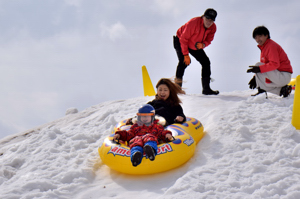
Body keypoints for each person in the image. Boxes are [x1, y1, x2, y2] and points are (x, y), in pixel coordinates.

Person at [173, 8, 219, 95]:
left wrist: (204, 45)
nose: (209, 22)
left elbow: (209, 40)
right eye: (207, 19)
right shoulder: (194, 23)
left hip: (194, 45)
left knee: (206, 62)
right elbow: (183, 39)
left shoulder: (213, 28)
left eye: (211, 20)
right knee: (183, 62)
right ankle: (177, 89)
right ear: (203, 17)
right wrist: (185, 55)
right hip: (180, 40)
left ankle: (206, 89)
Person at [247, 26, 293, 97]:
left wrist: (259, 69)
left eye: (260, 36)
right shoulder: (264, 48)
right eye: (255, 38)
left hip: (283, 75)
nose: (258, 39)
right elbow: (265, 67)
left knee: (258, 65)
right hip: (278, 75)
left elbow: (275, 64)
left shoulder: (271, 46)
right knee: (262, 81)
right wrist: (256, 77)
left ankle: (261, 92)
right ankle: (282, 90)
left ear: (266, 35)